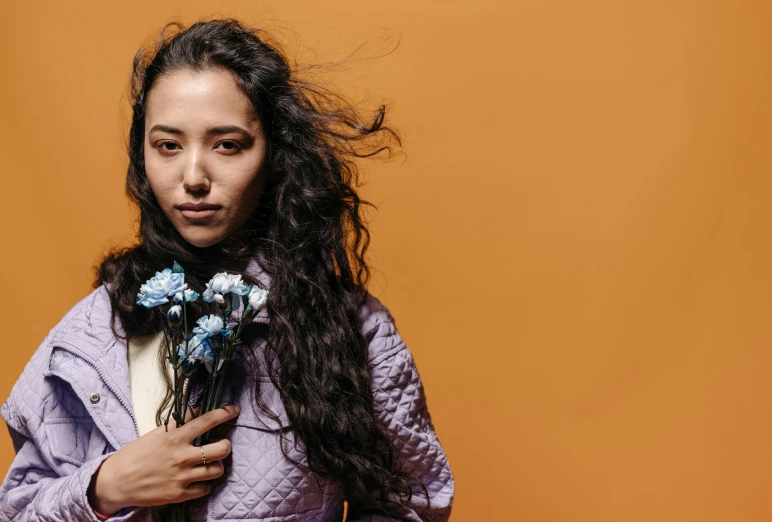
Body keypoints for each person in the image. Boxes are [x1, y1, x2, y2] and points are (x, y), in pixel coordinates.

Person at [0, 18, 454, 522]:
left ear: (275, 155)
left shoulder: (350, 327)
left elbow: (409, 504)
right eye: (168, 145)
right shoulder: (94, 329)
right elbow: (18, 509)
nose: (193, 177)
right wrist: (102, 487)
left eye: (227, 144)